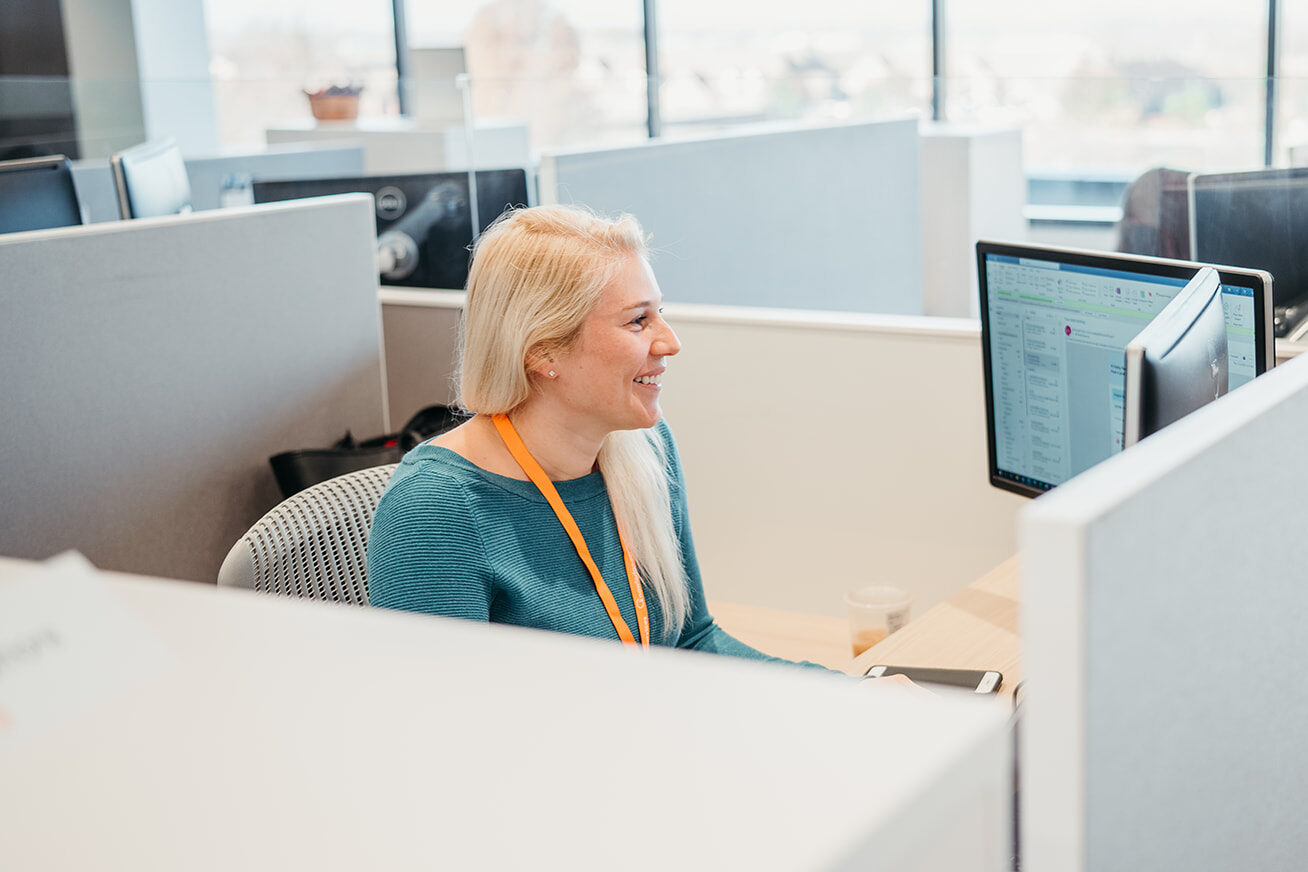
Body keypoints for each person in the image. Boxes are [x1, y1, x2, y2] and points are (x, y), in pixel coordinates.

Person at [366, 204, 823, 668]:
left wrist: (850, 695)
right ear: (542, 349)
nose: (670, 342)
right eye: (637, 320)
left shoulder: (645, 450)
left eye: (658, 313)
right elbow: (442, 723)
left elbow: (690, 642)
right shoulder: (437, 508)